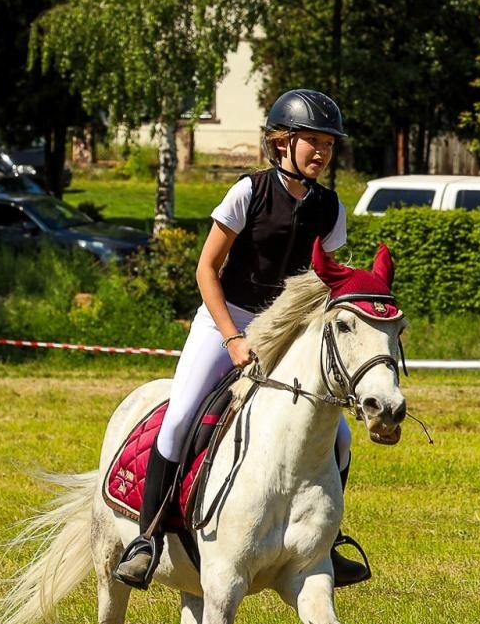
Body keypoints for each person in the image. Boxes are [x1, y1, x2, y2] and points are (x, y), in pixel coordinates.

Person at [114, 89, 373, 591]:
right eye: (312, 141)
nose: (321, 152)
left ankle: (329, 540)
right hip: (224, 319)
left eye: (328, 144)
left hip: (284, 331)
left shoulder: (330, 208)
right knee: (180, 419)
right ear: (282, 143)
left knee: (339, 439)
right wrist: (232, 338)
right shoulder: (248, 193)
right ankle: (146, 540)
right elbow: (206, 269)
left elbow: (328, 283)